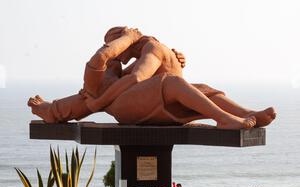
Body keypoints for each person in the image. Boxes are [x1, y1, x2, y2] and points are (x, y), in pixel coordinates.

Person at [28, 26, 276, 130]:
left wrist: (174, 59)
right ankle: (223, 119)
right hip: (121, 108)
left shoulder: (122, 68)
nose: (118, 56)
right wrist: (127, 39)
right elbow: (127, 74)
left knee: (200, 88)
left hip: (131, 105)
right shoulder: (98, 69)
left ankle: (244, 113)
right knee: (171, 82)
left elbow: (137, 79)